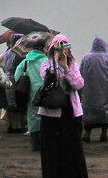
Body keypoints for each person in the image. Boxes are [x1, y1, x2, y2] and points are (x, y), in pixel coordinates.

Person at [37, 34, 87, 178]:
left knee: (72, 149)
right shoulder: (46, 64)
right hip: (50, 112)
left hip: (70, 112)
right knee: (52, 151)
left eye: (65, 46)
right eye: (59, 46)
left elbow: (79, 84)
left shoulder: (73, 64)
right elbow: (47, 80)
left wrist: (65, 68)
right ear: (53, 48)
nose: (63, 50)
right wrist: (55, 61)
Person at [79, 36, 108, 143]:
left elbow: (80, 73)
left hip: (89, 91)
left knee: (89, 112)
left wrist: (79, 91)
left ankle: (87, 134)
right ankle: (104, 134)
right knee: (105, 112)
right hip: (105, 90)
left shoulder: (85, 58)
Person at [15, 40, 47, 150]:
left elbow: (17, 76)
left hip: (30, 93)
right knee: (44, 115)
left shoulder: (25, 62)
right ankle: (44, 142)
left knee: (32, 115)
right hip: (44, 93)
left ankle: (35, 143)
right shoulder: (46, 60)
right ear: (42, 49)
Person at [2, 33, 26, 133]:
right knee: (17, 102)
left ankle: (10, 125)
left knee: (9, 102)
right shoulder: (17, 53)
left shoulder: (7, 52)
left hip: (7, 77)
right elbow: (18, 66)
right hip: (15, 78)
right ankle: (18, 126)